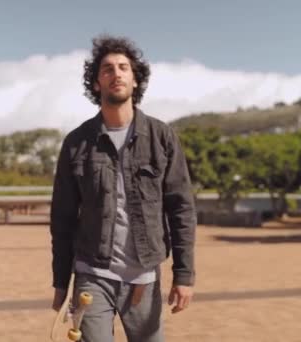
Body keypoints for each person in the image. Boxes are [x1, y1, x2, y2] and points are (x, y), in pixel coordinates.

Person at [50, 34, 196, 342]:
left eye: (123, 67)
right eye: (107, 69)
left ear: (135, 80)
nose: (116, 73)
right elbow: (62, 217)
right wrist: (61, 282)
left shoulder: (161, 137)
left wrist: (184, 274)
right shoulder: (77, 143)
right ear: (96, 84)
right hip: (92, 274)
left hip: (143, 278)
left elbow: (181, 207)